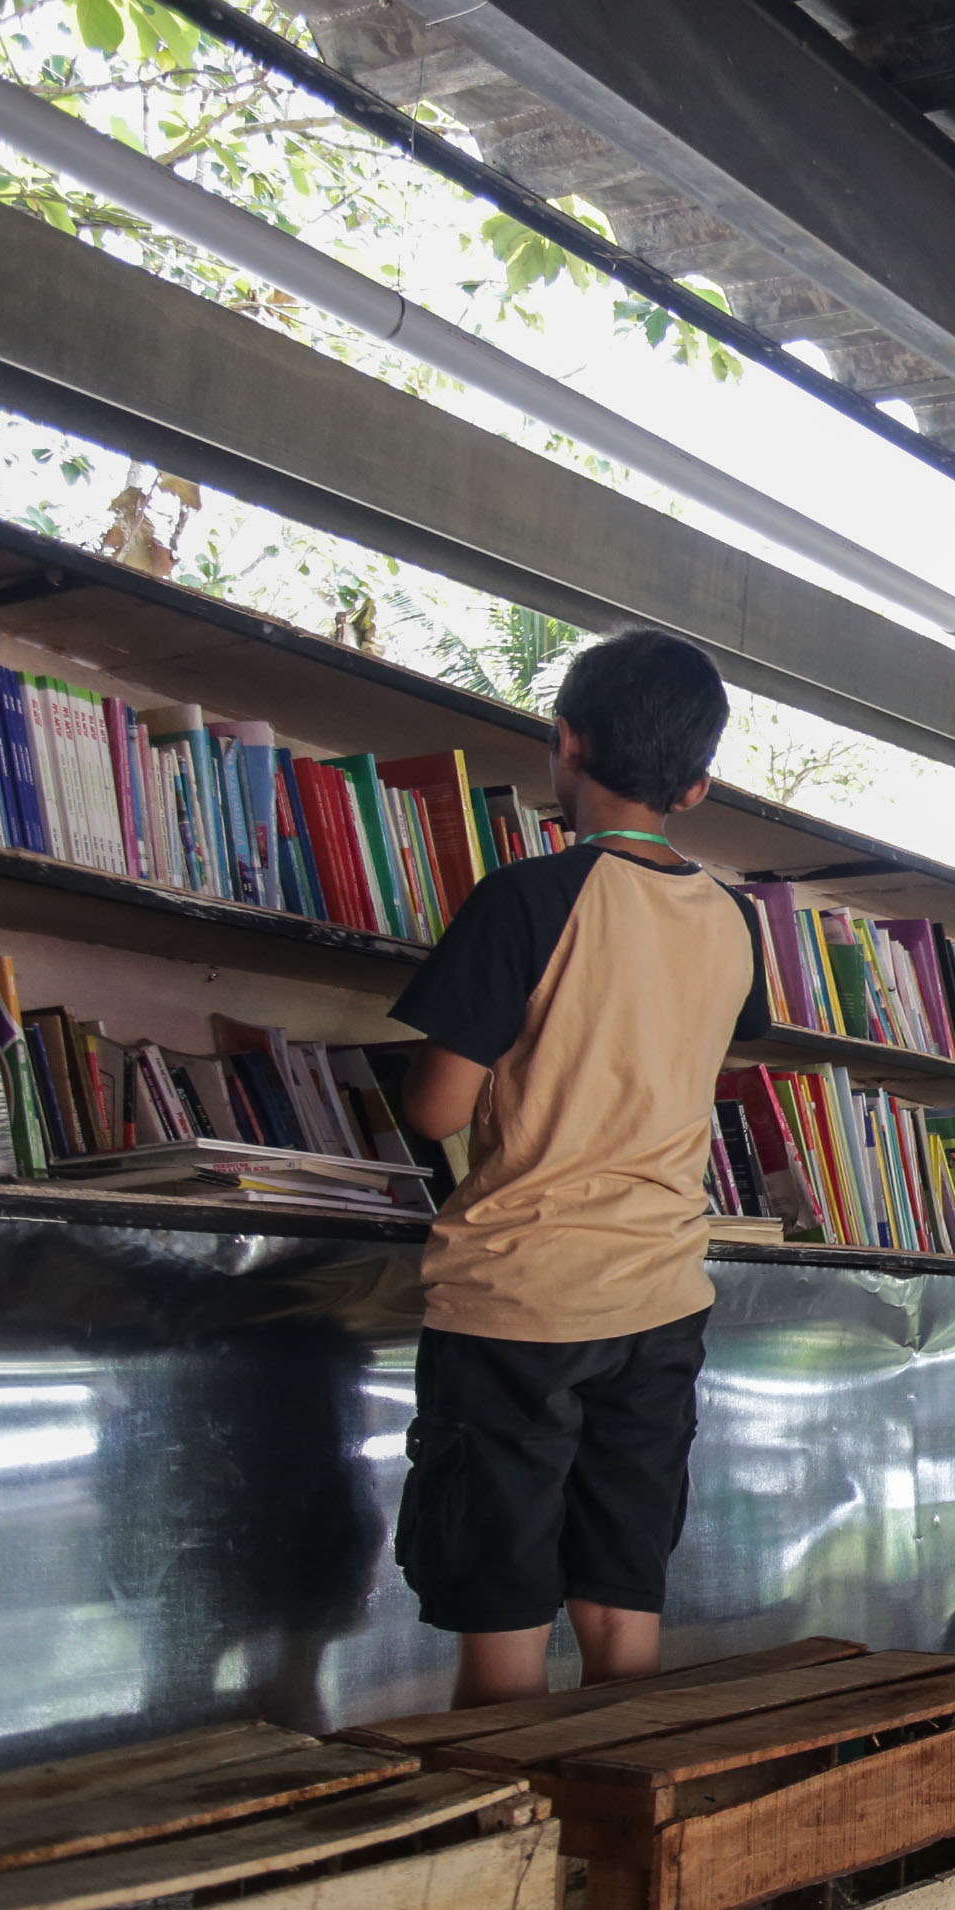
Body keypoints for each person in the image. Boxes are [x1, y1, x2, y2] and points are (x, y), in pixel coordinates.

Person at [385, 630, 771, 1710]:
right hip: (661, 1300)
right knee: (620, 1599)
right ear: (696, 785)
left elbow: (435, 1108)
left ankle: (508, 1814)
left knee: (502, 1608)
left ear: (567, 741)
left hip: (520, 1297)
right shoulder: (735, 921)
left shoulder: (527, 897)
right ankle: (621, 1808)